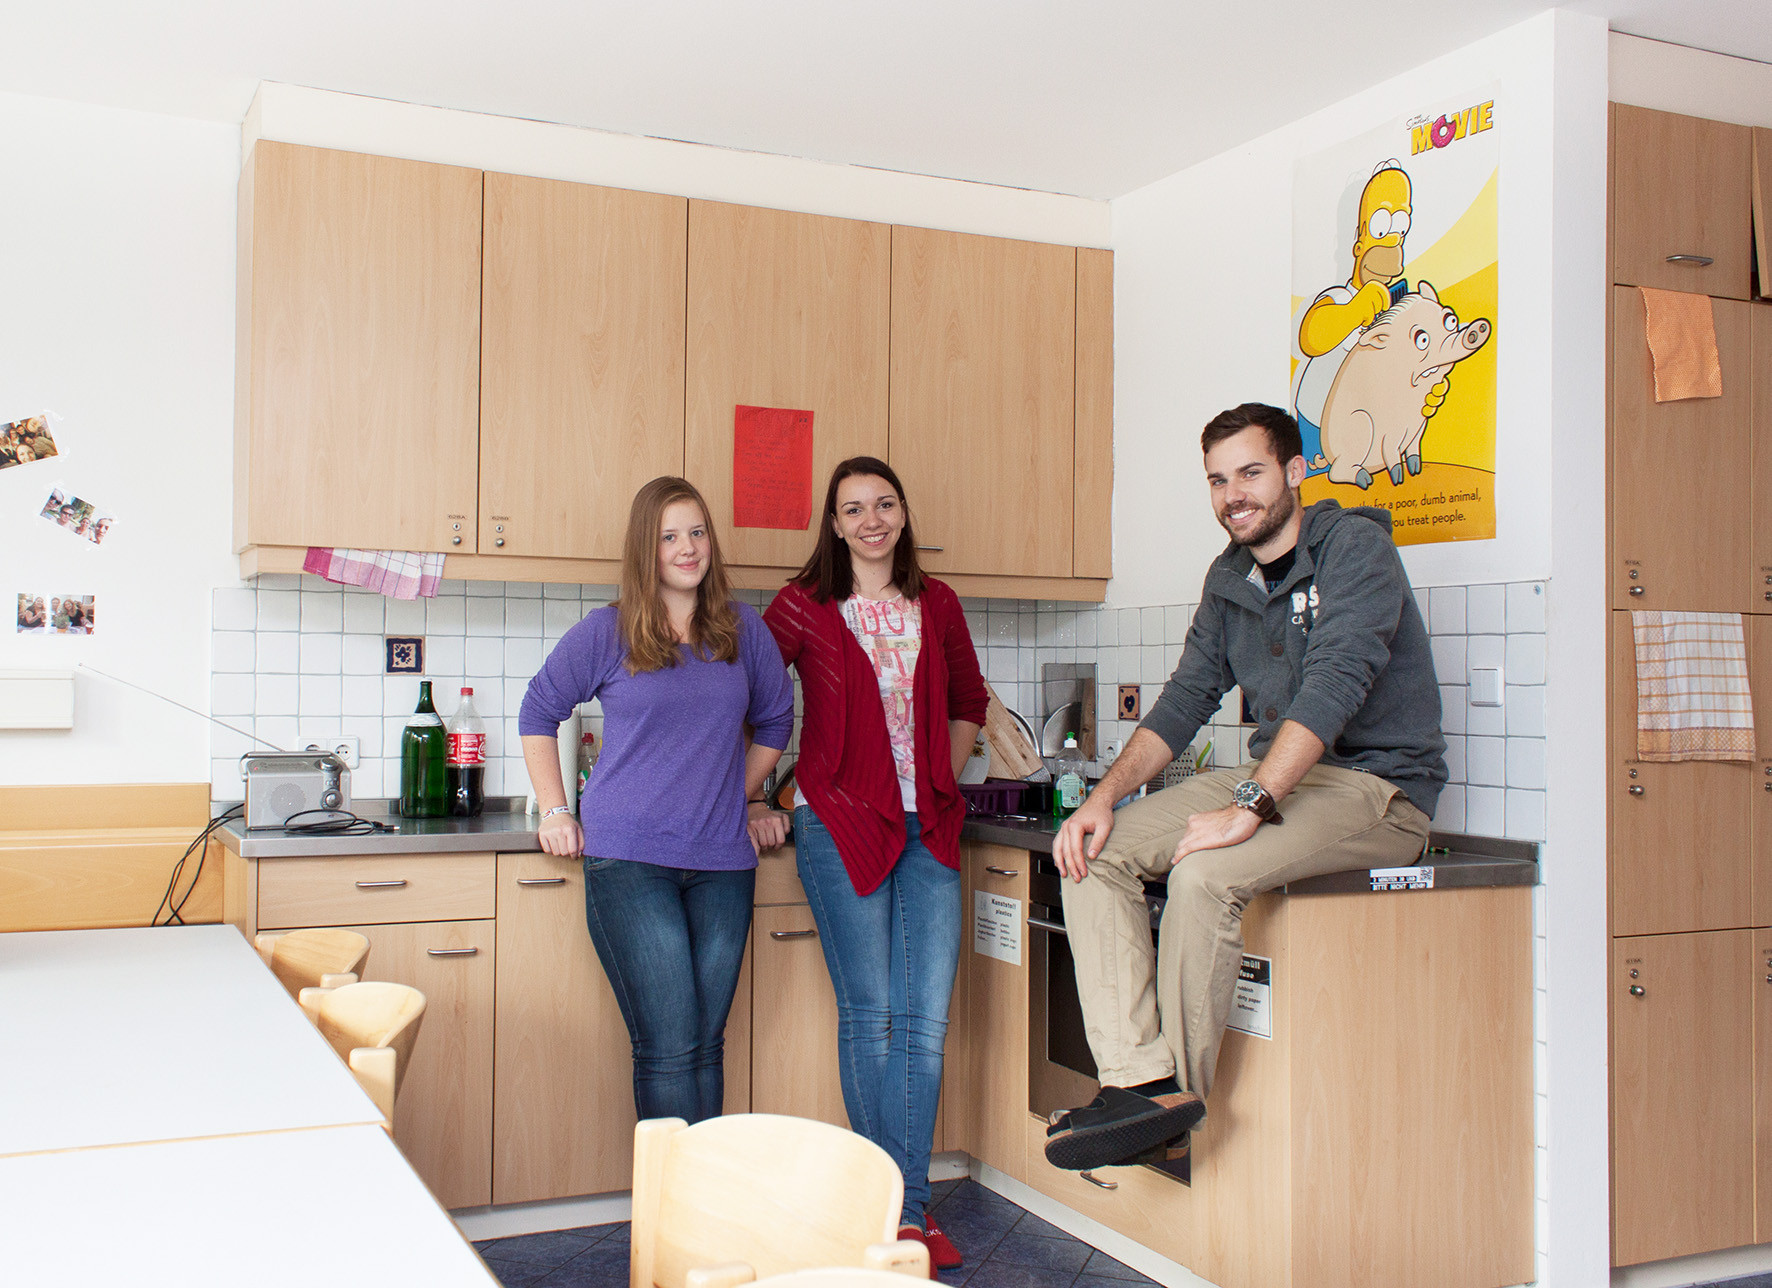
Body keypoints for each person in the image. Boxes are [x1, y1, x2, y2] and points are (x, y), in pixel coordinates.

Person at [1043, 402, 1446, 1172]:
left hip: (1377, 788)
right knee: (1093, 854)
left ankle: (1169, 1111)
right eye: (1219, 480)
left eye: (1251, 473)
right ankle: (1139, 1082)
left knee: (1205, 873)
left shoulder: (1355, 549)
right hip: (1279, 774)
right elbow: (1185, 698)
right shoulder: (1229, 577)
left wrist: (1251, 806)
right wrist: (1101, 798)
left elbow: (1335, 683)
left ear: (1296, 472)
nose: (1234, 494)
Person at [762, 457, 987, 1269]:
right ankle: (883, 1207)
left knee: (923, 1027)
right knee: (873, 1016)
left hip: (930, 828)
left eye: (884, 504)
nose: (870, 520)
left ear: (902, 514)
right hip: (838, 825)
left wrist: (938, 775)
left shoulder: (938, 603)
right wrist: (762, 793)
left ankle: (908, 1217)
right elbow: (751, 696)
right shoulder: (803, 606)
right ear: (833, 522)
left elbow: (969, 701)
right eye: (852, 508)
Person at [518, 476, 794, 1124]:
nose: (688, 546)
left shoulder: (742, 629)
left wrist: (739, 795)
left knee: (705, 1044)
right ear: (647, 548)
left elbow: (777, 722)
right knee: (670, 1046)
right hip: (631, 862)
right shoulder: (607, 631)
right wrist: (556, 810)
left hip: (723, 864)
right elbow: (539, 710)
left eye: (697, 531)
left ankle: (697, 1212)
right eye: (670, 535)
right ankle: (674, 1219)